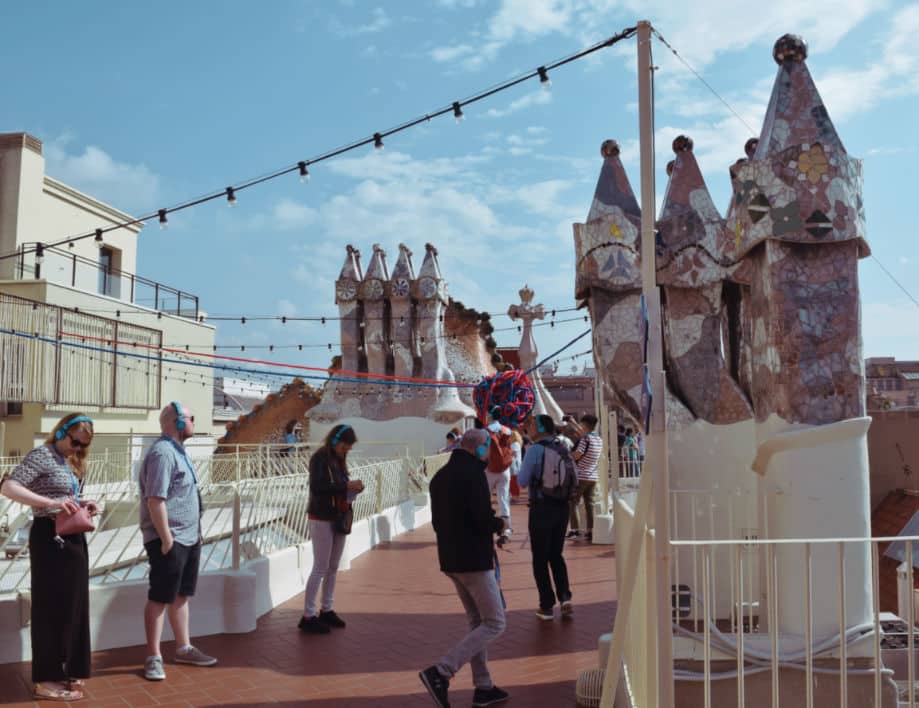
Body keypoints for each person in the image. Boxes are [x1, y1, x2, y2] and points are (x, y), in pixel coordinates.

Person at [0, 413, 99, 702]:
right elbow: (8, 487)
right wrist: (51, 503)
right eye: (75, 441)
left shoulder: (66, 461)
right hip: (49, 537)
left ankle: (69, 668)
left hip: (72, 537)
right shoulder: (42, 455)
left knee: (75, 605)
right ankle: (45, 679)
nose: (78, 448)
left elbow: (62, 497)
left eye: (83, 445)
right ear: (61, 431)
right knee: (50, 607)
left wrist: (83, 504)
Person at [420, 429, 509, 708]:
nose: (488, 453)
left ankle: (483, 686)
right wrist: (500, 525)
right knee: (495, 622)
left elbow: (437, 522)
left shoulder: (440, 477)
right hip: (474, 560)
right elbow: (483, 520)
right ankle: (442, 671)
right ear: (477, 448)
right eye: (486, 448)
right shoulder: (473, 476)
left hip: (450, 559)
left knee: (477, 621)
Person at [140, 402, 216, 681]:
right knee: (160, 597)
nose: (194, 421)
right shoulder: (162, 453)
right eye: (191, 417)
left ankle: (183, 648)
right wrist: (166, 540)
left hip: (188, 537)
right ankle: (153, 656)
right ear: (178, 422)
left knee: (181, 595)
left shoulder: (179, 452)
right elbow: (155, 499)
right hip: (170, 539)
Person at [299, 424, 365, 634]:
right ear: (336, 441)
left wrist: (352, 488)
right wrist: (346, 487)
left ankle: (326, 609)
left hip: (337, 517)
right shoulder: (320, 458)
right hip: (321, 517)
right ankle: (308, 615)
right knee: (320, 567)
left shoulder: (338, 460)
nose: (347, 450)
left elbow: (338, 484)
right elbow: (317, 487)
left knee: (333, 567)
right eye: (345, 446)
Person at [518, 414, 573, 621]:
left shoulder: (534, 450)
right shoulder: (562, 446)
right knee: (556, 554)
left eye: (531, 425)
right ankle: (565, 597)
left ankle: (547, 605)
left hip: (541, 508)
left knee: (540, 558)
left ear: (539, 427)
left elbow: (522, 481)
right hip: (562, 507)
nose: (528, 429)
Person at [568, 414, 602, 542]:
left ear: (585, 425)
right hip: (593, 476)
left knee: (573, 502)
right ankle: (590, 531)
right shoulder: (598, 439)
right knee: (589, 504)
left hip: (581, 475)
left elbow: (578, 455)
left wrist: (568, 454)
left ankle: (575, 530)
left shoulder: (585, 439)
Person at [484, 408, 513, 545]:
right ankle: (506, 529)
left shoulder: (486, 431)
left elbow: (483, 451)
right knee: (503, 499)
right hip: (504, 469)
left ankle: (486, 527)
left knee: (485, 499)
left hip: (490, 469)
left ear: (490, 415)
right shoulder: (507, 430)